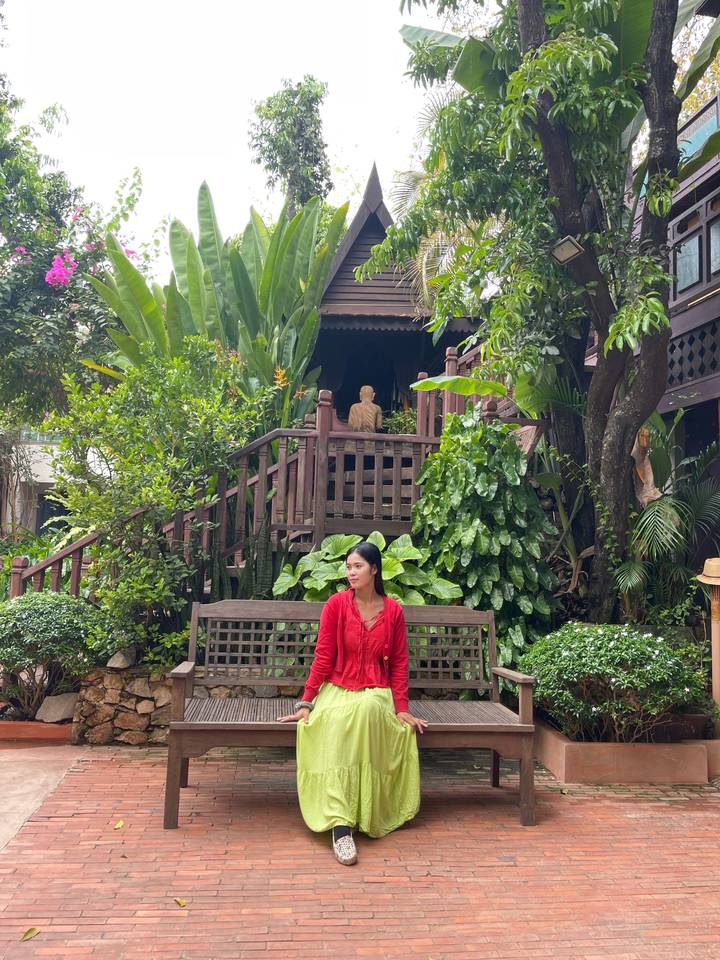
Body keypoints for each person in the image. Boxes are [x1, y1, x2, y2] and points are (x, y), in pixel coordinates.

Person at [277, 541, 428, 865]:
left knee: (366, 712)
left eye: (357, 566)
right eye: (348, 567)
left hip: (376, 689)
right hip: (336, 686)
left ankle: (359, 814)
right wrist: (306, 701)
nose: (350, 572)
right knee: (330, 722)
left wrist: (401, 708)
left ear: (374, 569)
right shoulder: (335, 605)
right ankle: (340, 824)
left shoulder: (394, 611)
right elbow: (323, 656)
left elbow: (399, 663)